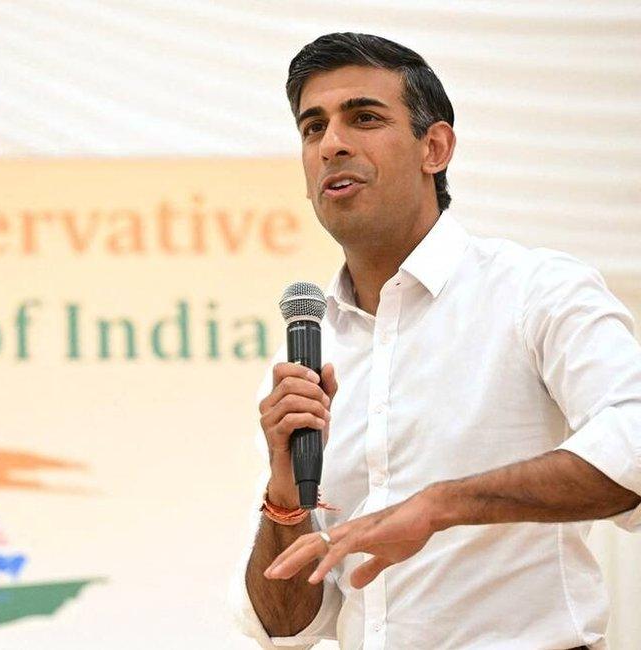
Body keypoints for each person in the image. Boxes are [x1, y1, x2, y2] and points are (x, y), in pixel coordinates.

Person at [229, 32, 641, 650]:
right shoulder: (306, 360)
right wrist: (284, 499)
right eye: (312, 129)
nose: (332, 143)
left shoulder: (536, 290)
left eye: (363, 118)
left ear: (435, 147)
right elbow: (287, 630)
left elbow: (633, 441)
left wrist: (442, 504)